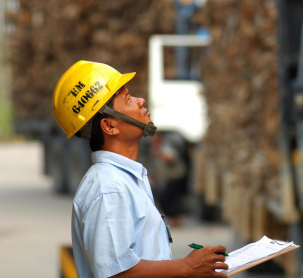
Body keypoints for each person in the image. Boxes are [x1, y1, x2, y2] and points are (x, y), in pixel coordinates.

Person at [52, 60, 228, 278]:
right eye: (127, 99)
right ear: (109, 126)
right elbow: (117, 273)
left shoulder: (125, 180)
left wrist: (192, 269)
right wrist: (187, 267)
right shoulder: (109, 188)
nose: (140, 101)